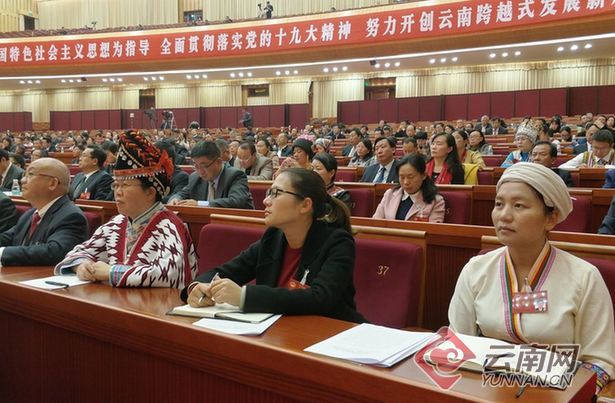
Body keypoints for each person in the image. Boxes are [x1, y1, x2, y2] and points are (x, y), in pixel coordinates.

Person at [448, 162, 615, 393]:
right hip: (487, 390)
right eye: (499, 204)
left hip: (556, 393)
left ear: (551, 218)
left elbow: (599, 361)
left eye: (519, 205)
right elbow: (458, 342)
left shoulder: (584, 277)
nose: (504, 215)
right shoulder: (476, 269)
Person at [182, 168, 365, 323]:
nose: (266, 200)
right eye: (269, 192)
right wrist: (197, 287)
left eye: (276, 193)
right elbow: (227, 271)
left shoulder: (337, 242)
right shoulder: (273, 237)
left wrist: (244, 296)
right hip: (278, 332)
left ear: (305, 205)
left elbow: (320, 298)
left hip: (329, 335)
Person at [55, 131, 197, 288]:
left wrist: (112, 272)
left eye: (125, 185)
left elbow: (169, 274)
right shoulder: (117, 223)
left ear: (150, 192)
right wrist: (81, 266)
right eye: (116, 185)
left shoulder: (170, 226)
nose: (118, 192)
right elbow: (79, 252)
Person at [0, 158, 88, 266]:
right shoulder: (31, 213)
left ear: (53, 183)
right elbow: (7, 238)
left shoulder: (71, 216)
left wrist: (3, 253)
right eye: (24, 175)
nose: (22, 180)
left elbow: (55, 251)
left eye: (30, 174)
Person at [169, 141, 254, 209]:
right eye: (196, 166)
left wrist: (200, 204)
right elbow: (181, 194)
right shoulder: (195, 177)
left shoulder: (235, 176)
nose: (200, 171)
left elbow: (236, 201)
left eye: (204, 166)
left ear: (218, 162)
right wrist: (175, 199)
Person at [373, 154, 445, 222]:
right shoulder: (389, 194)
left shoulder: (436, 201)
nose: (406, 182)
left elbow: (433, 229)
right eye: (402, 177)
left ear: (423, 176)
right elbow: (376, 222)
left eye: (410, 177)